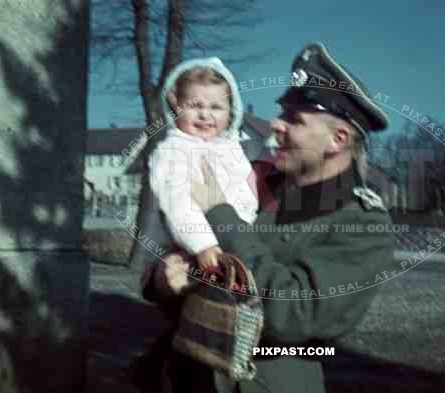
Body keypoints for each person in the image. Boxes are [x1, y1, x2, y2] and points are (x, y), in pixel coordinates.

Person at [136, 42, 398, 393]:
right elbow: (166, 255)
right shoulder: (251, 179)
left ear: (338, 139)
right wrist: (163, 279)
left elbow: (294, 317)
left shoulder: (364, 224)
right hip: (185, 374)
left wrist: (219, 213)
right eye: (282, 113)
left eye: (295, 119)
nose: (276, 125)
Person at [148, 57, 258, 272]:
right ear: (176, 107)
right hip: (195, 247)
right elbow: (177, 203)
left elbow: (247, 195)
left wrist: (245, 233)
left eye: (216, 107)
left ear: (231, 112)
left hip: (237, 240)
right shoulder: (173, 151)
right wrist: (202, 244)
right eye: (195, 106)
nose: (205, 115)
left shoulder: (233, 149)